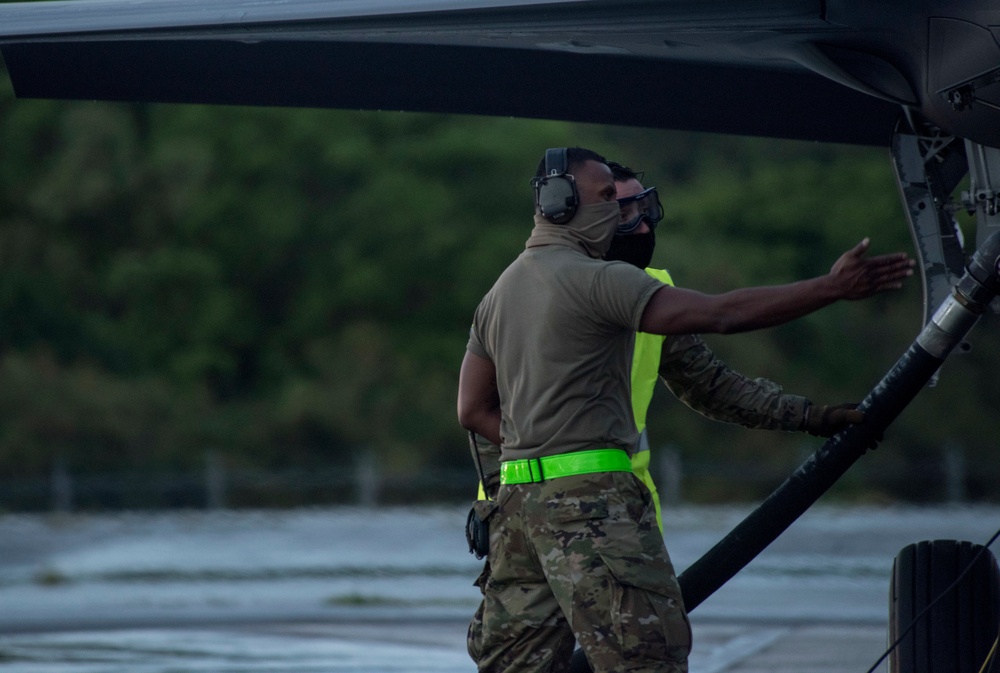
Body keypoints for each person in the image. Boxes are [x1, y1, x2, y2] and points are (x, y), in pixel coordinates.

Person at [457, 147, 913, 673]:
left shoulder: (499, 293)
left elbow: (472, 410)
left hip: (515, 512)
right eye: (607, 199)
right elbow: (723, 314)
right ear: (561, 204)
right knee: (646, 661)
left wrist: (532, 461)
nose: (627, 217)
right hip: (596, 513)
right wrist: (830, 288)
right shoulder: (607, 282)